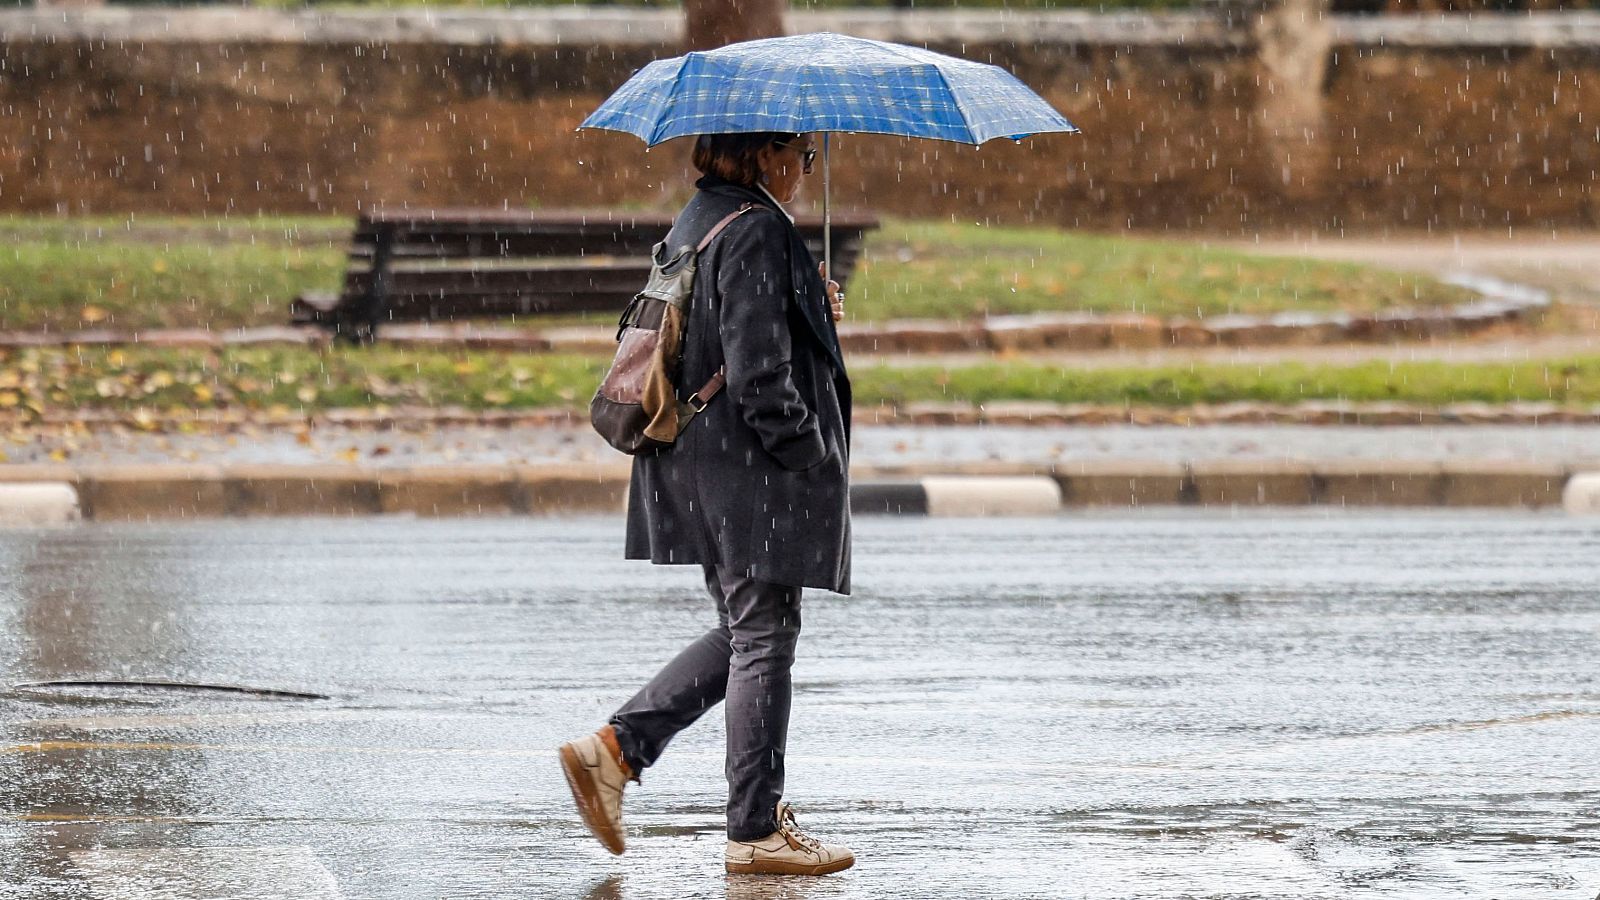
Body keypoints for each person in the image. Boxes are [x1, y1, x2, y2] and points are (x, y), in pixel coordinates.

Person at [559, 132, 855, 877]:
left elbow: (720, 336)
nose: (807, 168)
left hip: (698, 463)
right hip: (748, 471)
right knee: (765, 636)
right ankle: (753, 829)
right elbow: (758, 376)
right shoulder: (756, 228)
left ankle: (618, 750)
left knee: (744, 629)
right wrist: (810, 454)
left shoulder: (702, 216)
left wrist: (807, 306)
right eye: (802, 154)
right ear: (764, 155)